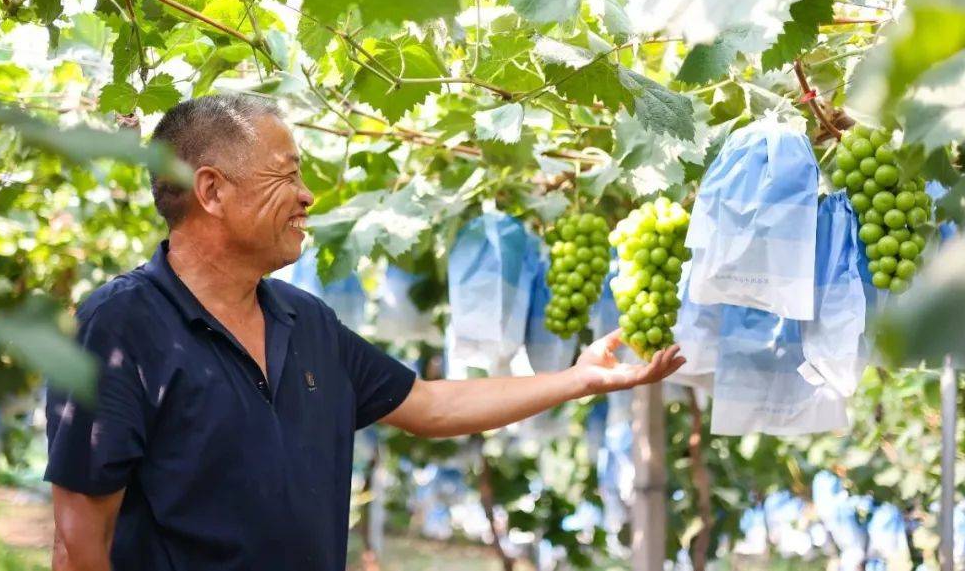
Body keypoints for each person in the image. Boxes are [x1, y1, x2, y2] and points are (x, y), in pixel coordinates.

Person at [46, 94, 686, 571]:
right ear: (211, 191)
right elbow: (80, 542)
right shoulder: (122, 325)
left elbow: (431, 406)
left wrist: (579, 379)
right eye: (287, 174)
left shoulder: (306, 321)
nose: (307, 197)